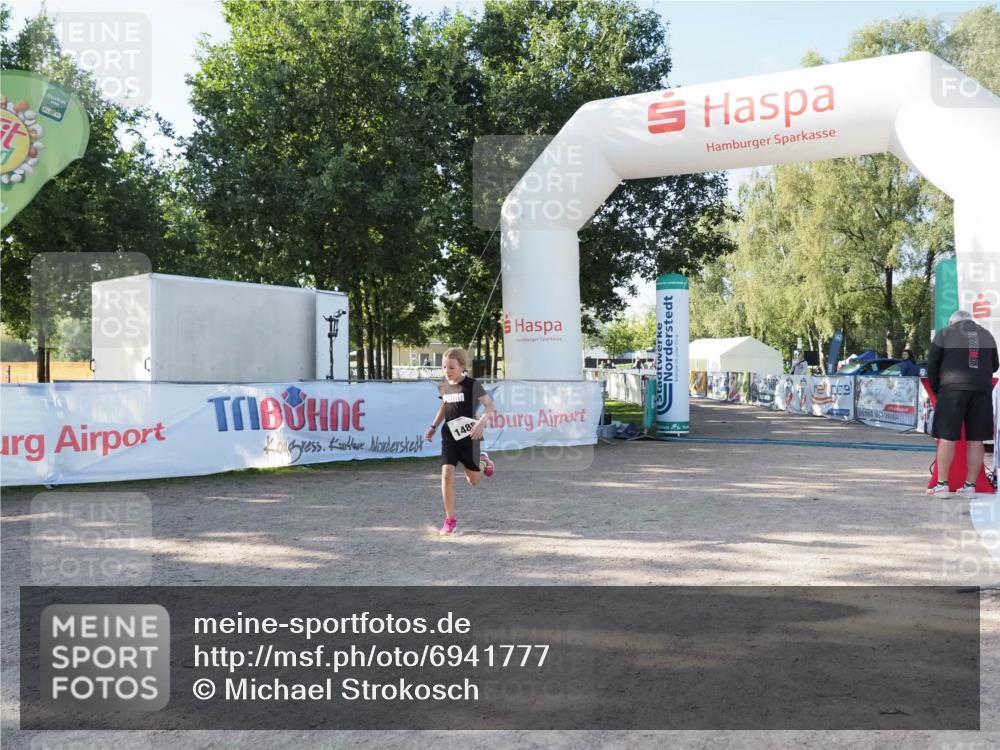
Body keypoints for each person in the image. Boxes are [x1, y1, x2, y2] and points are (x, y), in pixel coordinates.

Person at [926, 310, 999, 497]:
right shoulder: (986, 334)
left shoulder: (944, 333)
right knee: (976, 440)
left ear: (952, 322)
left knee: (947, 437)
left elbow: (932, 366)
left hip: (952, 390)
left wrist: (938, 391)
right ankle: (970, 486)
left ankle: (942, 485)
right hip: (981, 391)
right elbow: (995, 366)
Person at [424, 347, 497, 535]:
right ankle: (450, 520)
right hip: (449, 436)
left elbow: (490, 406)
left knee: (473, 481)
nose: (447, 371)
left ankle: (482, 462)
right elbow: (444, 405)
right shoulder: (443, 386)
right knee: (447, 474)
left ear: (462, 367)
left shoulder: (473, 385)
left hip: (470, 436)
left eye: (451, 367)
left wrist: (481, 422)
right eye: (444, 367)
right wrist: (433, 427)